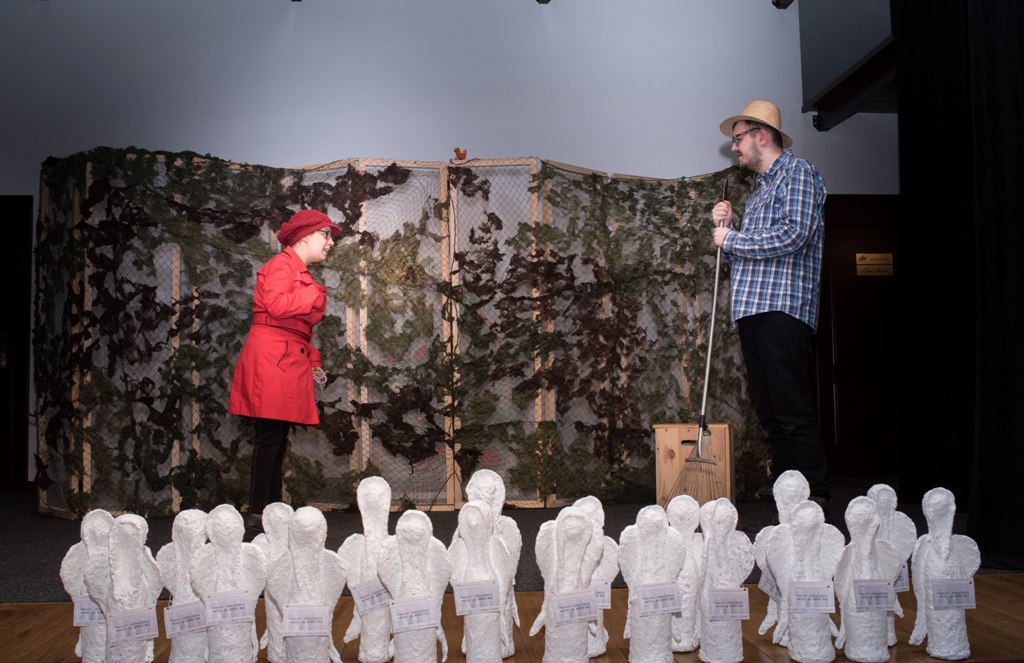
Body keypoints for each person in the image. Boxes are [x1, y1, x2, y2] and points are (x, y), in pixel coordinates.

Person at [710, 100, 830, 509]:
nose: (734, 148)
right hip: (753, 311)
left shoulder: (798, 174)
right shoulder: (761, 191)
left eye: (738, 139)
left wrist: (733, 239)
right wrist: (727, 228)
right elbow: (747, 255)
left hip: (782, 311)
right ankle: (788, 497)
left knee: (791, 410)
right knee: (771, 413)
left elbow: (795, 234)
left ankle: (815, 498)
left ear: (761, 136)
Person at [228, 209, 341, 536]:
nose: (330, 242)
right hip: (273, 359)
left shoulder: (296, 269)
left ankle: (270, 511)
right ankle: (258, 513)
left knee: (275, 439)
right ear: (305, 236)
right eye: (326, 234)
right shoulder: (282, 265)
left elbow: (294, 326)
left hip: (284, 357)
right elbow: (276, 305)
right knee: (270, 438)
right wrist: (315, 293)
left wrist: (312, 358)